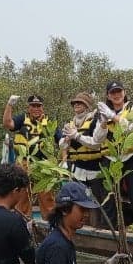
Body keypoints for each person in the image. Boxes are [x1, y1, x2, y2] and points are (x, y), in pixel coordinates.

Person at [32, 181, 127, 264]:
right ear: (65, 210)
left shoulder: (64, 240)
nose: (87, 214)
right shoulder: (57, 246)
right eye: (82, 209)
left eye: (87, 210)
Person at [96, 81, 133, 235]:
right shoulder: (103, 112)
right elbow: (98, 138)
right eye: (113, 92)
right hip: (111, 160)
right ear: (108, 95)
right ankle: (109, 233)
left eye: (119, 91)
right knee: (108, 197)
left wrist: (114, 117)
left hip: (132, 157)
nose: (116, 95)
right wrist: (104, 121)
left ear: (124, 92)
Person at [2, 94, 60, 219]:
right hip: (24, 163)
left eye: (38, 106)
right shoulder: (22, 119)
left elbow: (61, 140)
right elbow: (8, 124)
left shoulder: (49, 123)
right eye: (33, 106)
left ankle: (50, 223)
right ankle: (22, 222)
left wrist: (63, 157)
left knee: (47, 196)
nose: (36, 108)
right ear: (28, 108)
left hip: (44, 164)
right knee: (22, 194)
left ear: (42, 108)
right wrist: (10, 104)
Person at [58, 92, 107, 226]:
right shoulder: (70, 123)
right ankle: (79, 227)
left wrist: (77, 136)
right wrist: (67, 139)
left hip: (95, 169)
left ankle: (101, 229)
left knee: (100, 202)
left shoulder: (96, 120)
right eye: (75, 103)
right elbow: (62, 145)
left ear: (87, 106)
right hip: (78, 170)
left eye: (80, 103)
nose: (76, 105)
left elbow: (96, 143)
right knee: (78, 201)